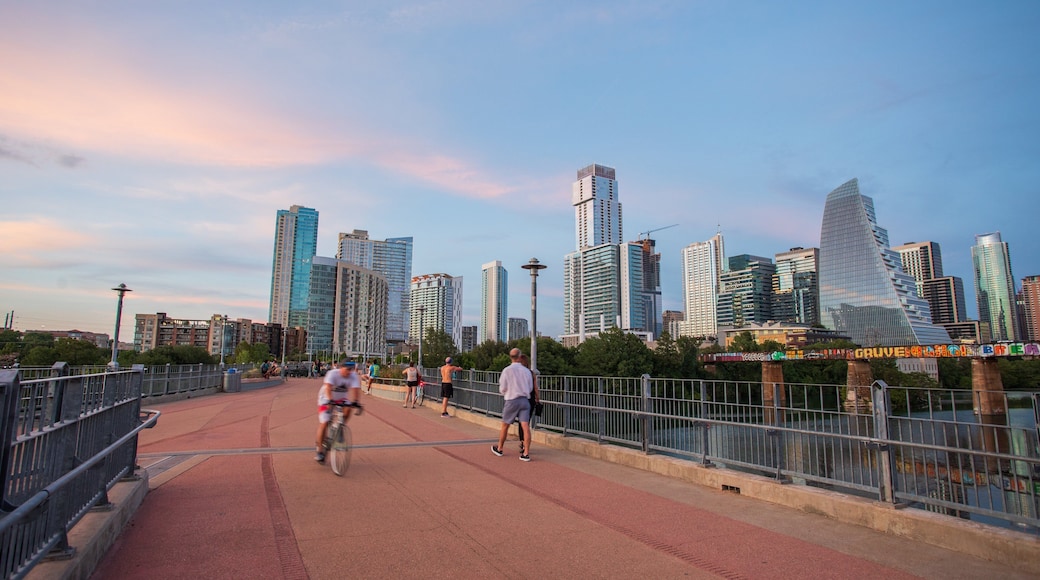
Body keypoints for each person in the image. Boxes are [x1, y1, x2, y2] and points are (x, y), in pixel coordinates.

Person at [315, 360, 361, 463]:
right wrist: (330, 400)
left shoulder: (353, 376)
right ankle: (319, 451)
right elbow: (328, 387)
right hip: (325, 398)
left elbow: (356, 389)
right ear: (341, 368)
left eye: (351, 370)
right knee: (324, 422)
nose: (349, 372)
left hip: (341, 399)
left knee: (348, 408)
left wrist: (356, 402)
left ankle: (340, 427)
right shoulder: (332, 374)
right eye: (347, 369)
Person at [492, 348, 533, 461]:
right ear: (520, 357)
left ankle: (500, 448)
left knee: (505, 426)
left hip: (511, 399)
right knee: (525, 427)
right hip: (525, 400)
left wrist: (506, 392)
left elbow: (502, 388)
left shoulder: (506, 370)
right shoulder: (526, 371)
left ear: (510, 357)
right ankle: (526, 453)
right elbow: (530, 387)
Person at [515, 353, 541, 456]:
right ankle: (526, 444)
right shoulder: (531, 373)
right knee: (527, 422)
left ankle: (522, 442)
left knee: (521, 423)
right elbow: (535, 388)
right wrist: (537, 399)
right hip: (530, 400)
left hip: (520, 399)